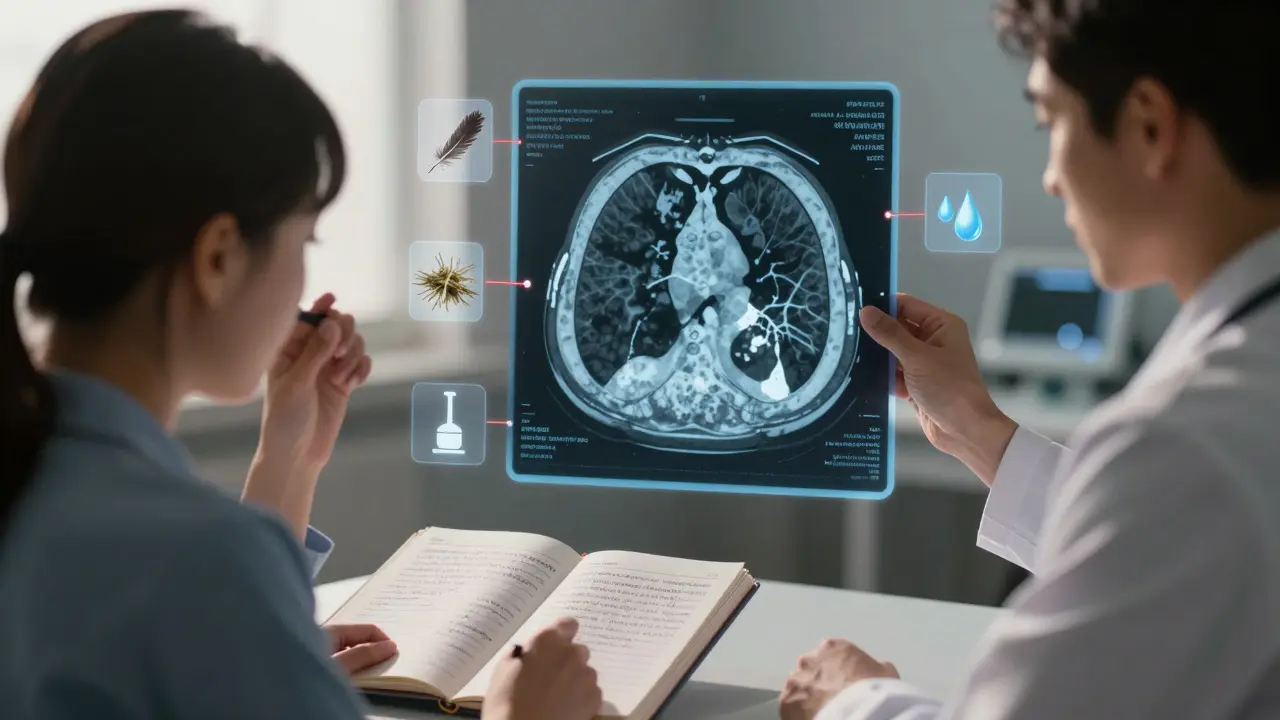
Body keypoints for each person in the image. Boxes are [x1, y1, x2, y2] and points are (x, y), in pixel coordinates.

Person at [0, 11, 601, 720]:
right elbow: (194, 580)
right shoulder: (201, 560)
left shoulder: (43, 483)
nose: (304, 276)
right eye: (304, 238)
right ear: (218, 257)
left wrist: (287, 461)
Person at [779, 1, 1280, 718]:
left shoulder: (1186, 442)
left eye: (1051, 123)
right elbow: (1168, 552)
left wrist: (854, 699)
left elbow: (1169, 505)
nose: (1049, 177)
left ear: (1148, 125)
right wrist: (980, 430)